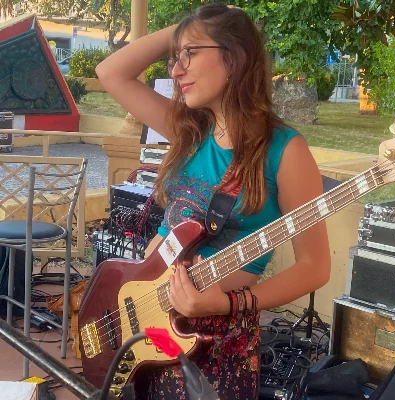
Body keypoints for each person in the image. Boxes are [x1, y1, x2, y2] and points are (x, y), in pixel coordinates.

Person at [96, 3, 330, 399]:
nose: (175, 70)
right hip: (151, 320)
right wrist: (189, 28)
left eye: (189, 54)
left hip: (218, 342)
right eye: (175, 56)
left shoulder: (284, 151)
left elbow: (315, 267)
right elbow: (111, 73)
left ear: (234, 58)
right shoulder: (190, 130)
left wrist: (229, 303)